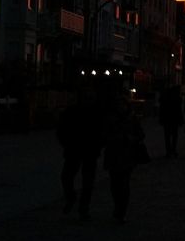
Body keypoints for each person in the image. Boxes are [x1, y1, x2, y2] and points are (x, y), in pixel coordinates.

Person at [56, 88, 105, 221]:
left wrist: (99, 144)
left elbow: (103, 131)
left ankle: (83, 208)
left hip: (89, 150)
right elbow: (61, 128)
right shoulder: (72, 112)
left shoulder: (97, 113)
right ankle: (72, 198)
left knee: (86, 181)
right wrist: (66, 142)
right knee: (67, 177)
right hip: (75, 149)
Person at [103, 95, 146, 223]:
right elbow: (104, 135)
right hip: (114, 154)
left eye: (122, 104)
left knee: (124, 183)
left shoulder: (132, 119)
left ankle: (121, 210)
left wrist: (130, 138)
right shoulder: (109, 119)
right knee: (115, 184)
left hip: (127, 154)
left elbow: (141, 134)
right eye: (118, 104)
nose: (120, 107)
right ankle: (118, 206)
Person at [159, 86, 183, 157]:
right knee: (174, 136)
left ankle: (169, 151)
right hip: (174, 119)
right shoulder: (176, 99)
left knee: (167, 136)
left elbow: (162, 110)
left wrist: (161, 119)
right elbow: (179, 110)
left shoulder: (165, 99)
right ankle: (173, 150)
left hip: (167, 119)